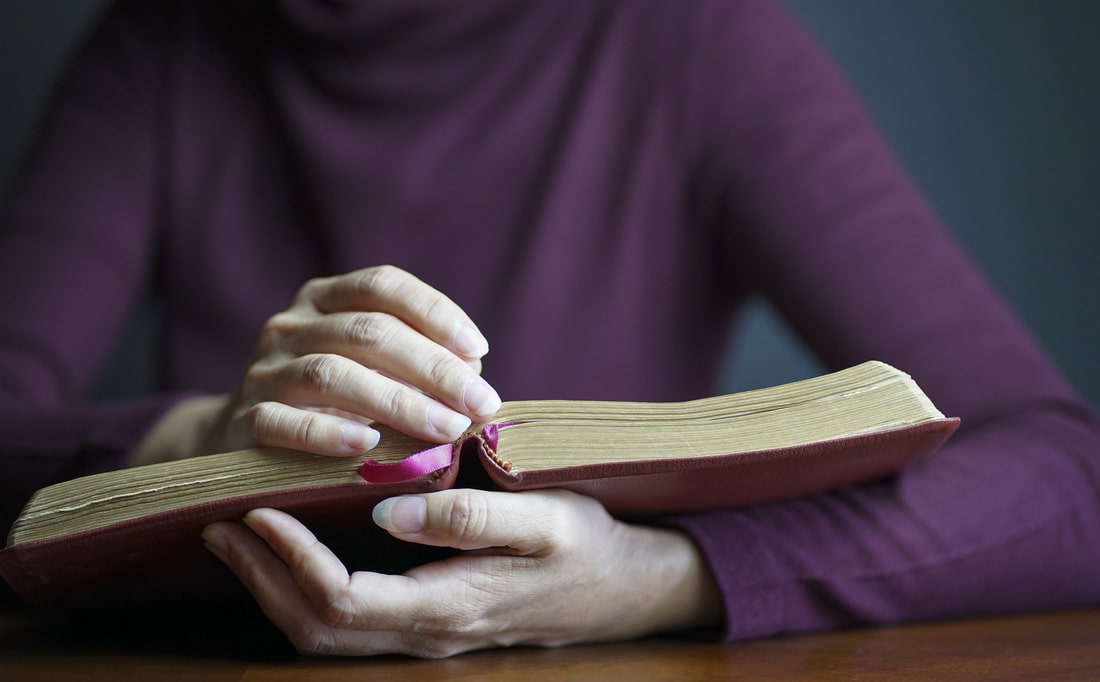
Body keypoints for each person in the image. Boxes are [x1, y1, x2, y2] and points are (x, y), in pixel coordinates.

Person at [1, 0, 1098, 659]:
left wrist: (662, 577)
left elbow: (1066, 476)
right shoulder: (166, 39)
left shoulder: (690, 42)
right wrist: (203, 440)